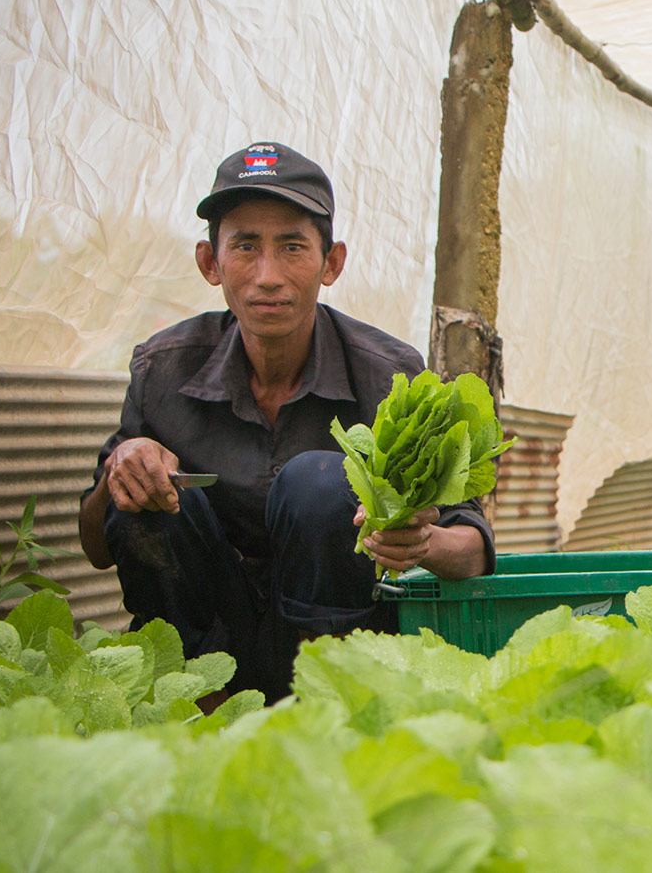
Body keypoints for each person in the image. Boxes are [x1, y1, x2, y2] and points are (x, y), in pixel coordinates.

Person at [78, 142, 494, 702]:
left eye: (292, 246)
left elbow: (473, 544)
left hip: (335, 649)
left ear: (331, 263)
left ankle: (325, 713)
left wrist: (420, 541)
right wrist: (120, 473)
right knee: (143, 503)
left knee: (322, 481)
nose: (268, 275)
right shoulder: (163, 369)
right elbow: (100, 546)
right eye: (245, 246)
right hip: (204, 655)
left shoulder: (387, 379)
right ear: (210, 262)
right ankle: (196, 711)